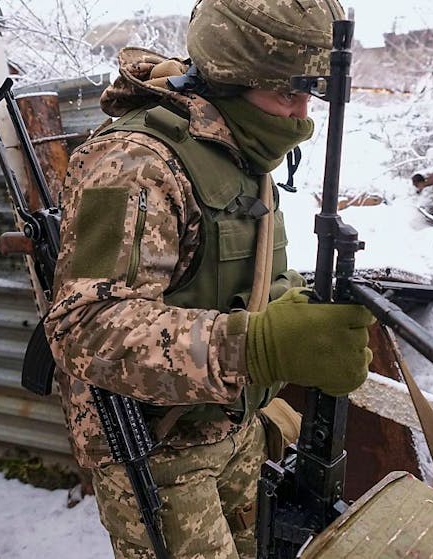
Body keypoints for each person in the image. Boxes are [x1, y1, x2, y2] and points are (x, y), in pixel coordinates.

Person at [43, 0, 373, 557]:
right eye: (286, 93)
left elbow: (245, 274)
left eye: (309, 93)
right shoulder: (134, 163)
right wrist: (260, 347)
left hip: (237, 429)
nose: (301, 115)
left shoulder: (240, 152)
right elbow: (85, 327)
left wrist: (300, 314)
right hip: (158, 455)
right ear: (233, 78)